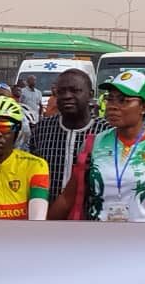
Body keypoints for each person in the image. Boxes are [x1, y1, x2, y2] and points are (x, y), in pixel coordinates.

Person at [50, 70, 145, 222]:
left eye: (123, 100)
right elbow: (68, 197)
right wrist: (40, 230)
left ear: (143, 107)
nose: (112, 106)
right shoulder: (93, 144)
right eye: (110, 99)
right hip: (102, 242)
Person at [29, 69, 110, 202]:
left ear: (90, 95)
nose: (67, 96)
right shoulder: (42, 129)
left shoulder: (106, 132)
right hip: (48, 215)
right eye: (61, 92)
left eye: (75, 91)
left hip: (90, 217)